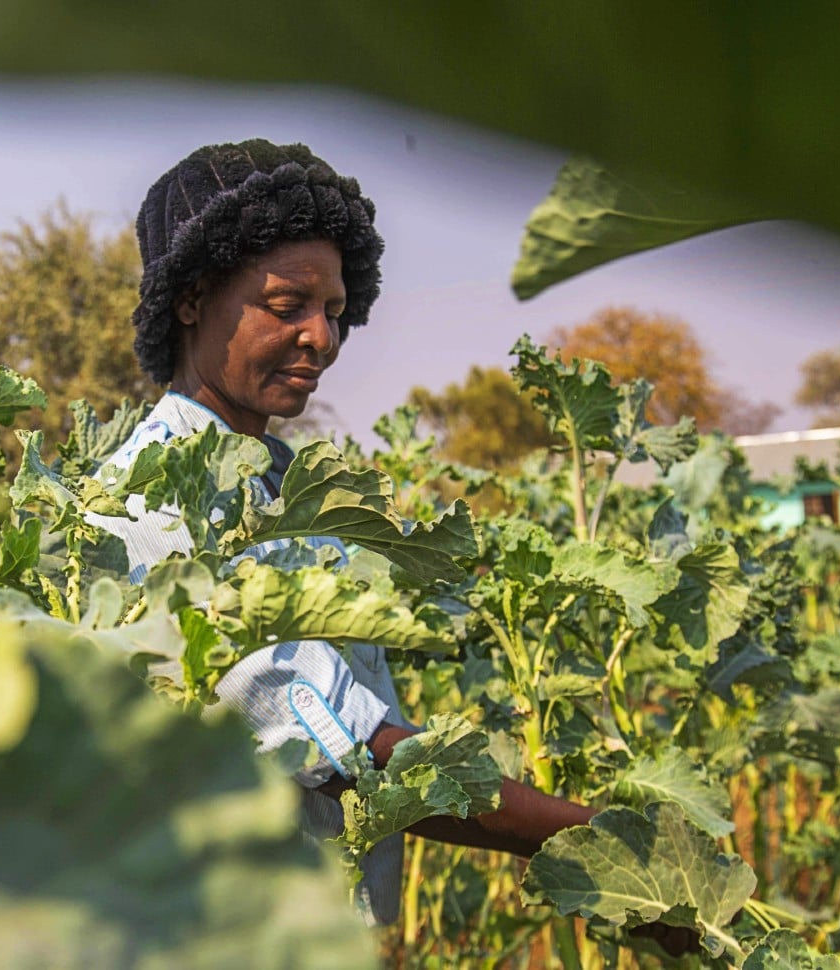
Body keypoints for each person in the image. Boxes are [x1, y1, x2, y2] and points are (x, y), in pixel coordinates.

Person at [92, 139, 602, 929]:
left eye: (334, 311)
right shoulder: (150, 502)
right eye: (287, 306)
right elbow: (342, 750)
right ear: (191, 299)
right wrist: (591, 844)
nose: (322, 340)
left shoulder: (286, 484)